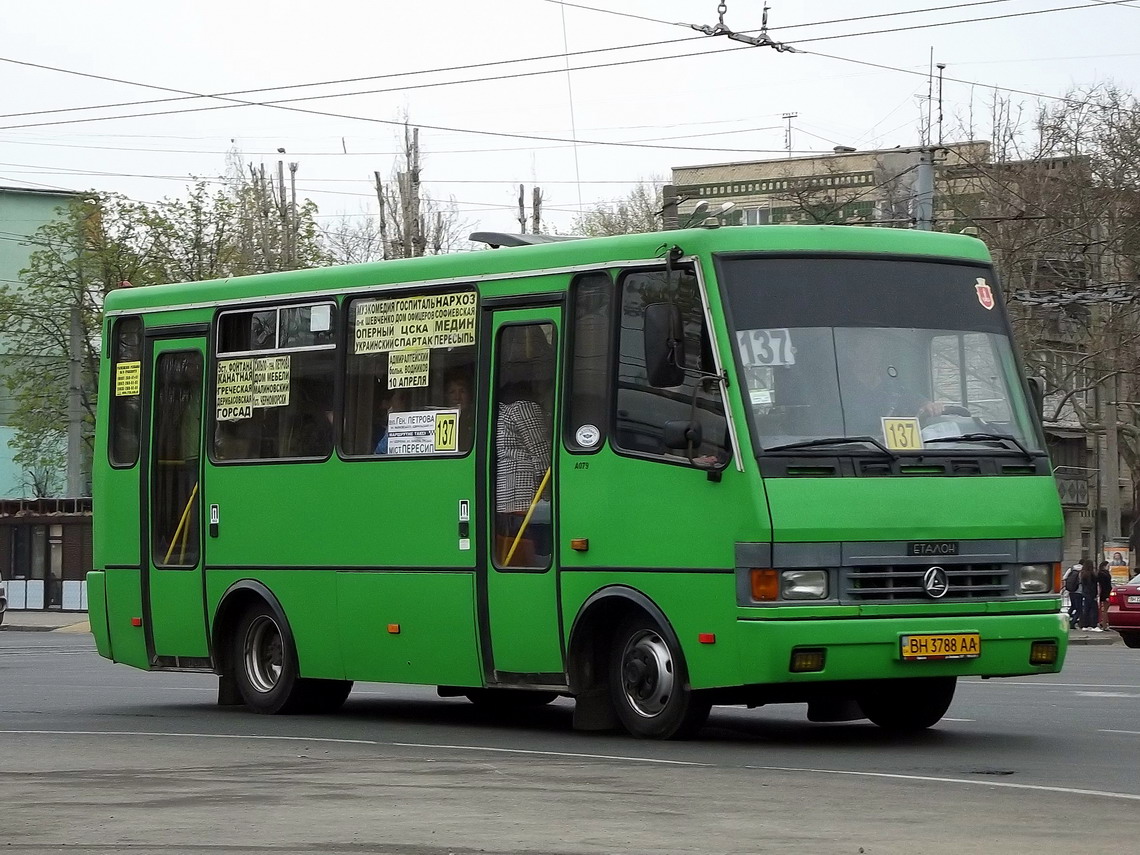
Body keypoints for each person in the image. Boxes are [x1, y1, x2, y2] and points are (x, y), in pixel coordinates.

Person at [841, 335, 947, 437]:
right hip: (854, 450)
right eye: (867, 350)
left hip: (894, 452)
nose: (874, 355)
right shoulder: (839, 389)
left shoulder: (893, 386)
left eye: (877, 350)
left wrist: (928, 405)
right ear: (851, 354)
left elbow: (916, 400)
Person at [495, 379, 552, 566]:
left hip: (505, 500)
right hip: (525, 499)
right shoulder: (523, 407)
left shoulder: (500, 411)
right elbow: (542, 454)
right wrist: (549, 497)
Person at [1078, 558, 1099, 630]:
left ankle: (1085, 625)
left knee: (1086, 610)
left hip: (1085, 593)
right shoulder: (1091, 574)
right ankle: (1093, 625)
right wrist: (1095, 595)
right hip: (1091, 594)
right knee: (1094, 610)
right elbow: (1092, 586)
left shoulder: (1083, 574)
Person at [1062, 560, 1082, 629]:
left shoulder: (1072, 568)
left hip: (1071, 590)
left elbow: (1064, 577)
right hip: (1079, 591)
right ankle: (1073, 623)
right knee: (1079, 609)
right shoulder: (1083, 570)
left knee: (1073, 606)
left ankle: (1065, 620)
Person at [1097, 560, 1113, 631]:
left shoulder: (1101, 573)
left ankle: (1104, 623)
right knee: (1106, 610)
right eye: (1108, 566)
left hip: (1104, 593)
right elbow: (1105, 586)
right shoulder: (1104, 574)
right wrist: (1106, 596)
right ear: (1104, 566)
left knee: (1104, 610)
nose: (1109, 567)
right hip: (1106, 593)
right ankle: (1104, 624)